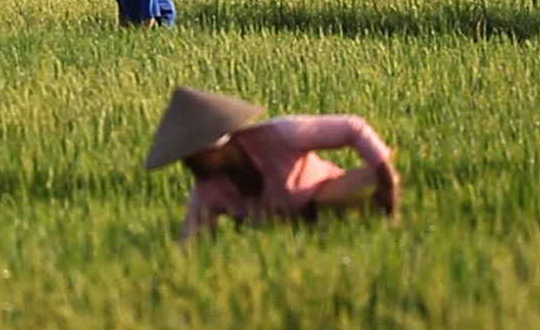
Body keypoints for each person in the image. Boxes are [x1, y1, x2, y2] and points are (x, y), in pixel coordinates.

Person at [144, 86, 400, 242]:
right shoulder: (207, 191)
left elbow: (351, 127)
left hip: (327, 195)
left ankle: (360, 225)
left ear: (218, 144)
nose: (188, 164)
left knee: (342, 192)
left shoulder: (280, 135)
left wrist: (386, 181)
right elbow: (192, 241)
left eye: (194, 155)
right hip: (280, 228)